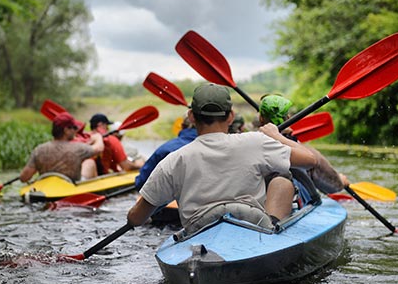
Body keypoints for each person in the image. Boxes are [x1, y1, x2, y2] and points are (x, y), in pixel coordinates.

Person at [127, 83, 317, 234]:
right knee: (282, 179)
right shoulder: (255, 142)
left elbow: (137, 219)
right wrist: (277, 136)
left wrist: (133, 216)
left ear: (192, 116)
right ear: (231, 117)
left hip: (198, 231)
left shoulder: (174, 160)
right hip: (253, 225)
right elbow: (310, 160)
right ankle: (275, 228)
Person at [258, 94, 350, 195]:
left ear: (260, 118)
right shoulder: (303, 153)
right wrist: (340, 182)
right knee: (314, 158)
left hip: (255, 197)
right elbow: (315, 163)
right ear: (288, 117)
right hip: (289, 197)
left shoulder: (248, 141)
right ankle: (339, 181)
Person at [19, 112, 104, 183]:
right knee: (90, 163)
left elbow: (24, 178)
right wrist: (98, 137)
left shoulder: (39, 150)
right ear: (66, 130)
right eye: (74, 128)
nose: (76, 131)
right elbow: (99, 148)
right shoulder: (78, 148)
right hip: (71, 189)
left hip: (46, 190)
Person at [135, 115, 198, 191]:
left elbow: (142, 182)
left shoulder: (165, 149)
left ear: (182, 126)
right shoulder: (212, 147)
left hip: (169, 199)